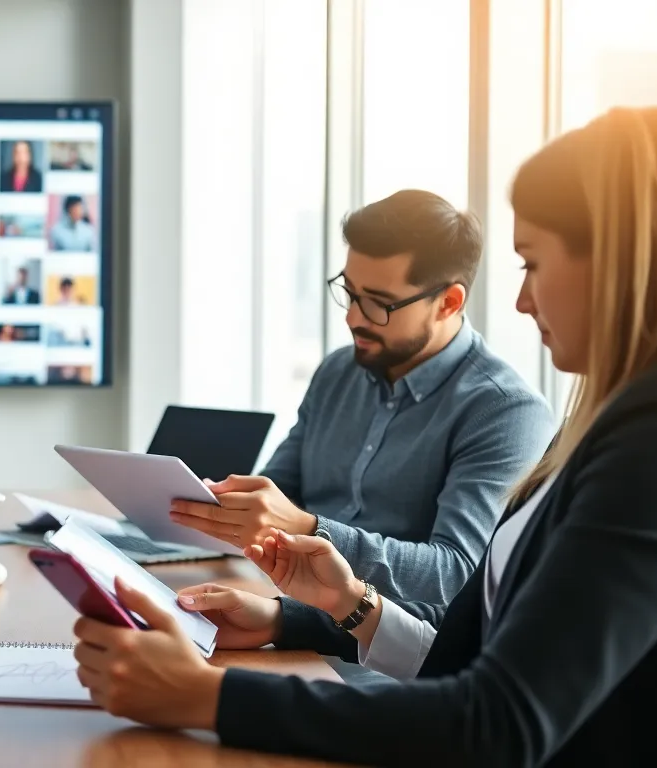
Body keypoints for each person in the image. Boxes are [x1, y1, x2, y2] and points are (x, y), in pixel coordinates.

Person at [72, 106, 657, 767]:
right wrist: (330, 607)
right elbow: (469, 663)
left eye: (532, 264)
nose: (522, 301)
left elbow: (497, 722)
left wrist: (206, 697)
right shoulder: (604, 425)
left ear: (619, 263)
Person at [169, 189, 554, 606]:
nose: (353, 318)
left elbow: (456, 576)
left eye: (378, 304)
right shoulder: (338, 372)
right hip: (282, 605)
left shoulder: (505, 412)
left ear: (448, 302)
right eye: (350, 292)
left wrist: (310, 529)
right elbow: (277, 490)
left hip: (381, 654)